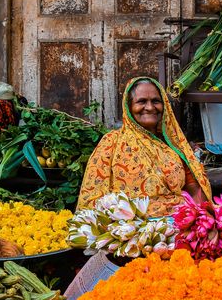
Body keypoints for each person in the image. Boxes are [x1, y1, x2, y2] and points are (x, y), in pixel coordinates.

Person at [77, 77, 212, 217]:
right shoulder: (111, 142)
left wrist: (199, 219)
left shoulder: (173, 145)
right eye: (141, 101)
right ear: (128, 107)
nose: (150, 107)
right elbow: (93, 194)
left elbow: (193, 187)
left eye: (156, 101)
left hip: (176, 225)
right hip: (126, 229)